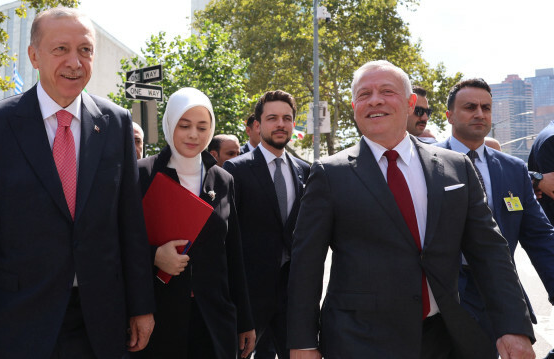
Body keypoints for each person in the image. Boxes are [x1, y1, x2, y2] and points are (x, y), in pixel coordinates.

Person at [0, 7, 155, 359]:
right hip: (16, 321)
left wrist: (141, 304)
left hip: (99, 323)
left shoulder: (115, 123)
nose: (75, 62)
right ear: (34, 55)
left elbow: (129, 223)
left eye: (85, 50)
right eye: (61, 49)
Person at [287, 60, 535, 359]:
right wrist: (302, 342)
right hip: (358, 341)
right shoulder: (329, 174)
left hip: (445, 338)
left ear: (410, 102)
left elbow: (490, 252)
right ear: (354, 106)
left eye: (387, 91)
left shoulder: (456, 167)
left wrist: (513, 327)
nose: (375, 100)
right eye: (364, 94)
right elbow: (306, 265)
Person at [134, 87, 255, 359]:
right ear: (169, 124)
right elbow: (120, 242)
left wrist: (245, 320)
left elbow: (233, 254)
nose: (193, 135)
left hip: (213, 321)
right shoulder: (142, 174)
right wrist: (154, 256)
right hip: (158, 320)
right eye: (184, 125)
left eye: (202, 127)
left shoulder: (223, 180)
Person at [436, 78, 554, 354]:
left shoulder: (513, 169)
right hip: (442, 298)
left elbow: (540, 237)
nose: (480, 113)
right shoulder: (426, 162)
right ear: (449, 115)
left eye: (486, 107)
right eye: (470, 107)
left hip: (497, 296)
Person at [223, 90, 310, 359]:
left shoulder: (305, 170)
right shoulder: (234, 170)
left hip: (292, 296)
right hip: (250, 296)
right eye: (272, 118)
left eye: (287, 118)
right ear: (258, 125)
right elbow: (227, 238)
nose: (280, 124)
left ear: (294, 124)